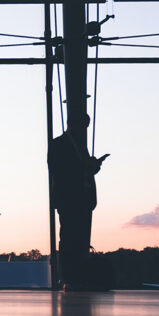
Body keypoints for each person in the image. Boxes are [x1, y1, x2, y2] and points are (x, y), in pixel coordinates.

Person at [48, 114, 105, 290]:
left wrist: (90, 167)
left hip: (80, 199)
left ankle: (75, 277)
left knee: (77, 239)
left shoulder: (75, 145)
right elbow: (58, 170)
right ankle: (69, 278)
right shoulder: (59, 144)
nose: (84, 130)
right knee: (69, 239)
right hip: (70, 199)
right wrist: (86, 167)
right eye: (83, 126)